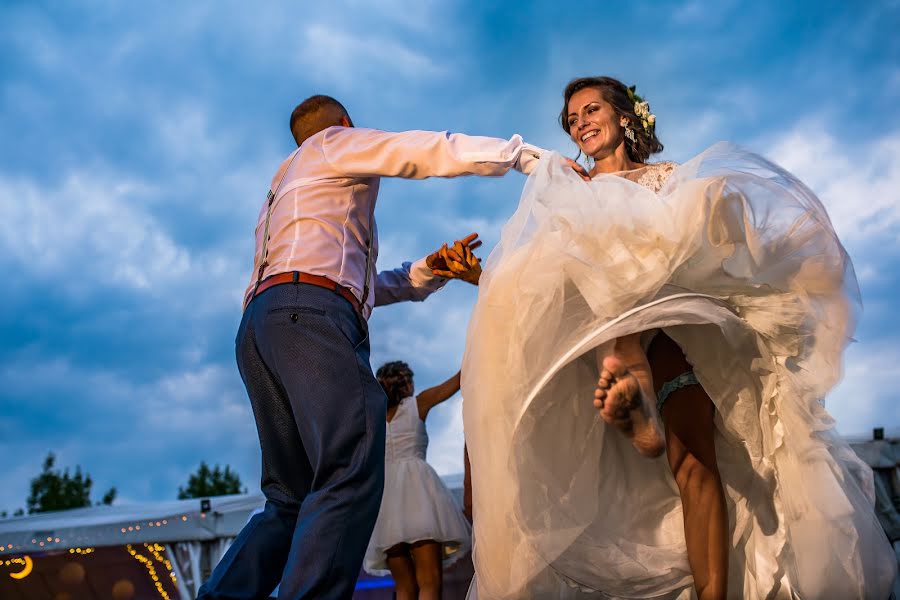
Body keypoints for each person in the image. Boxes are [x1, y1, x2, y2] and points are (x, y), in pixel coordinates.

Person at [461, 77, 898, 598]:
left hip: (681, 335)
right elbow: (544, 287)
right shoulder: (572, 194)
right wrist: (479, 277)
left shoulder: (664, 179)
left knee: (695, 462)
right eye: (571, 118)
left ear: (625, 118)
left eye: (590, 109)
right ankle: (629, 374)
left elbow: (698, 242)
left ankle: (637, 387)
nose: (578, 123)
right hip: (600, 345)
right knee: (595, 250)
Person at [197, 95, 555, 600]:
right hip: (308, 317)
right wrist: (519, 155)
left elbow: (354, 282)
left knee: (291, 497)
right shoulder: (335, 145)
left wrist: (428, 271)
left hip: (262, 326)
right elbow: (422, 150)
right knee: (351, 459)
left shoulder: (286, 184)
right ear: (344, 126)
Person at [363, 362, 472, 600]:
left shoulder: (373, 421)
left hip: (386, 504)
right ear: (407, 383)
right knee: (430, 582)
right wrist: (477, 352)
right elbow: (455, 383)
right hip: (418, 495)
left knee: (404, 588)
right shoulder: (418, 404)